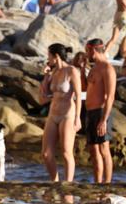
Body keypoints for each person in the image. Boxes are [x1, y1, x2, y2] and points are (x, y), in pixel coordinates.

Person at [39, 44, 82, 182]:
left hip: (67, 114)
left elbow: (79, 95)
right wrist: (46, 76)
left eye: (49, 56)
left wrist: (77, 118)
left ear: (55, 56)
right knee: (46, 154)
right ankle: (55, 182)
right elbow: (42, 98)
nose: (48, 59)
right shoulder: (54, 73)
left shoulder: (72, 71)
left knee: (66, 152)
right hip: (53, 114)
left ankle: (68, 185)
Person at [85, 39, 116, 184]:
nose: (86, 54)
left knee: (104, 148)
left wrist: (104, 120)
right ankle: (97, 182)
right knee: (93, 149)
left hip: (101, 112)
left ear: (93, 50)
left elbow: (110, 96)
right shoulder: (94, 67)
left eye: (87, 51)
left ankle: (107, 183)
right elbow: (87, 88)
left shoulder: (107, 69)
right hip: (90, 112)